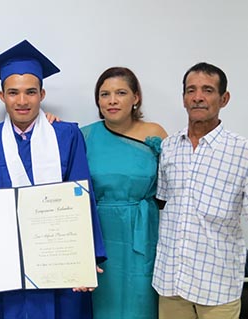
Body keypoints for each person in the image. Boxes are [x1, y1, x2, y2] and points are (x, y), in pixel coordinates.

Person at [0, 39, 107, 319]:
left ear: (42, 94)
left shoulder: (66, 135)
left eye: (30, 92)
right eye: (13, 93)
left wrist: (84, 259)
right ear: (1, 96)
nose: (22, 101)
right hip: (9, 266)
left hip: (61, 262)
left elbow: (82, 198)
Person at [152, 62, 248, 319]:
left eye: (207, 90)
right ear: (183, 98)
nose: (197, 97)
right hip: (172, 281)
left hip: (217, 286)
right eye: (190, 90)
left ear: (224, 98)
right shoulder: (169, 147)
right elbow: (163, 203)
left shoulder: (242, 152)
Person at [80, 67, 167, 319]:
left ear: (136, 97)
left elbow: (172, 185)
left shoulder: (155, 133)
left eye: (120, 92)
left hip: (144, 232)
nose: (112, 100)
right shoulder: (84, 135)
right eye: (105, 94)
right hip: (101, 232)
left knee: (141, 299)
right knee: (103, 303)